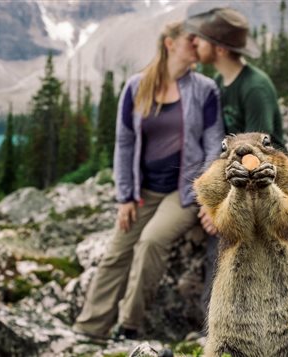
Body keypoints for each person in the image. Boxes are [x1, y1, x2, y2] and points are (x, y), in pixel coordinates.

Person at [72, 22, 224, 339]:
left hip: (183, 191)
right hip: (143, 190)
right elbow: (124, 142)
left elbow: (214, 145)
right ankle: (90, 328)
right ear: (170, 44)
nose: (198, 46)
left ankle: (129, 325)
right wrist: (125, 196)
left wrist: (210, 197)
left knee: (151, 241)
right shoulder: (136, 87)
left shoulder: (204, 89)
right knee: (116, 252)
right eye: (190, 40)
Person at [183, 7, 287, 316]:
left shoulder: (254, 88)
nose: (195, 43)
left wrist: (218, 209)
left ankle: (219, 325)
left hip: (260, 189)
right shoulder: (221, 82)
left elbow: (259, 156)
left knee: (223, 242)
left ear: (219, 48)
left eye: (201, 39)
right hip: (234, 184)